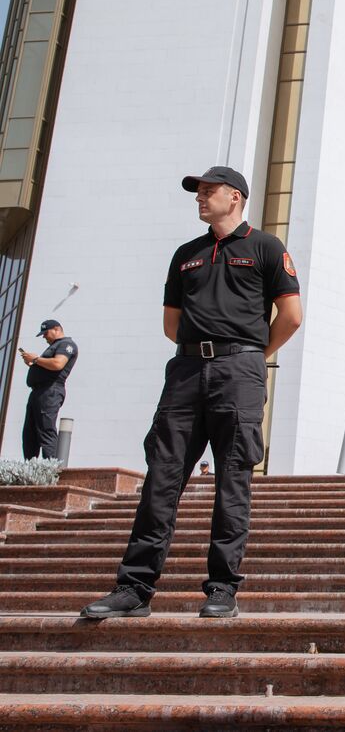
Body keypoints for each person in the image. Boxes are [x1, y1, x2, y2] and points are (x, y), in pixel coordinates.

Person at [80, 166, 303, 621]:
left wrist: (254, 353)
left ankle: (222, 589)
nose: (201, 198)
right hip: (184, 371)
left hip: (239, 371)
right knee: (161, 479)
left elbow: (292, 315)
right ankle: (134, 588)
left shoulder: (265, 247)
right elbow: (171, 323)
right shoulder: (187, 254)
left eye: (209, 190)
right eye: (197, 192)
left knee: (232, 480)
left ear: (236, 197)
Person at [17, 319, 77, 460]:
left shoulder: (66, 344)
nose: (44, 337)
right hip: (38, 392)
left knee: (46, 430)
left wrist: (36, 359)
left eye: (45, 333)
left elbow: (58, 364)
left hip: (50, 391)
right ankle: (30, 470)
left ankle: (50, 469)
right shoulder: (54, 346)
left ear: (56, 329)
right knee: (29, 434)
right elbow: (48, 368)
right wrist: (33, 363)